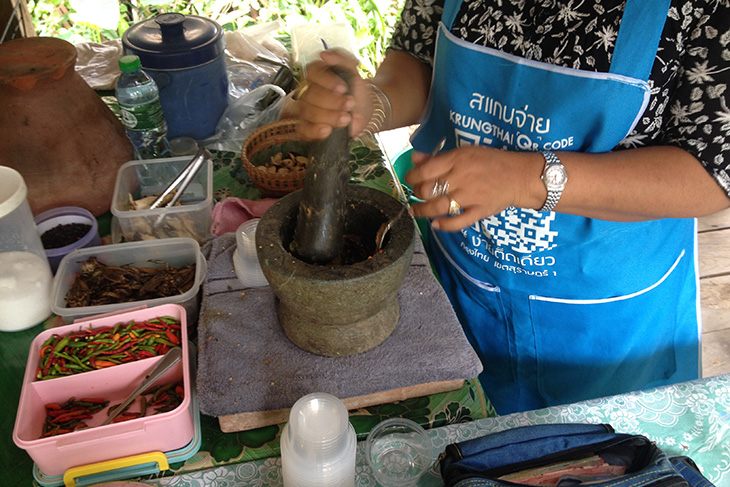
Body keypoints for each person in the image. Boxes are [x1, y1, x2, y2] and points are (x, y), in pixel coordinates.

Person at [282, 0, 730, 414]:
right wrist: (371, 103)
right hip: (468, 284)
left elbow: (710, 172)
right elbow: (418, 63)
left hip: (608, 324)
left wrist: (525, 178)